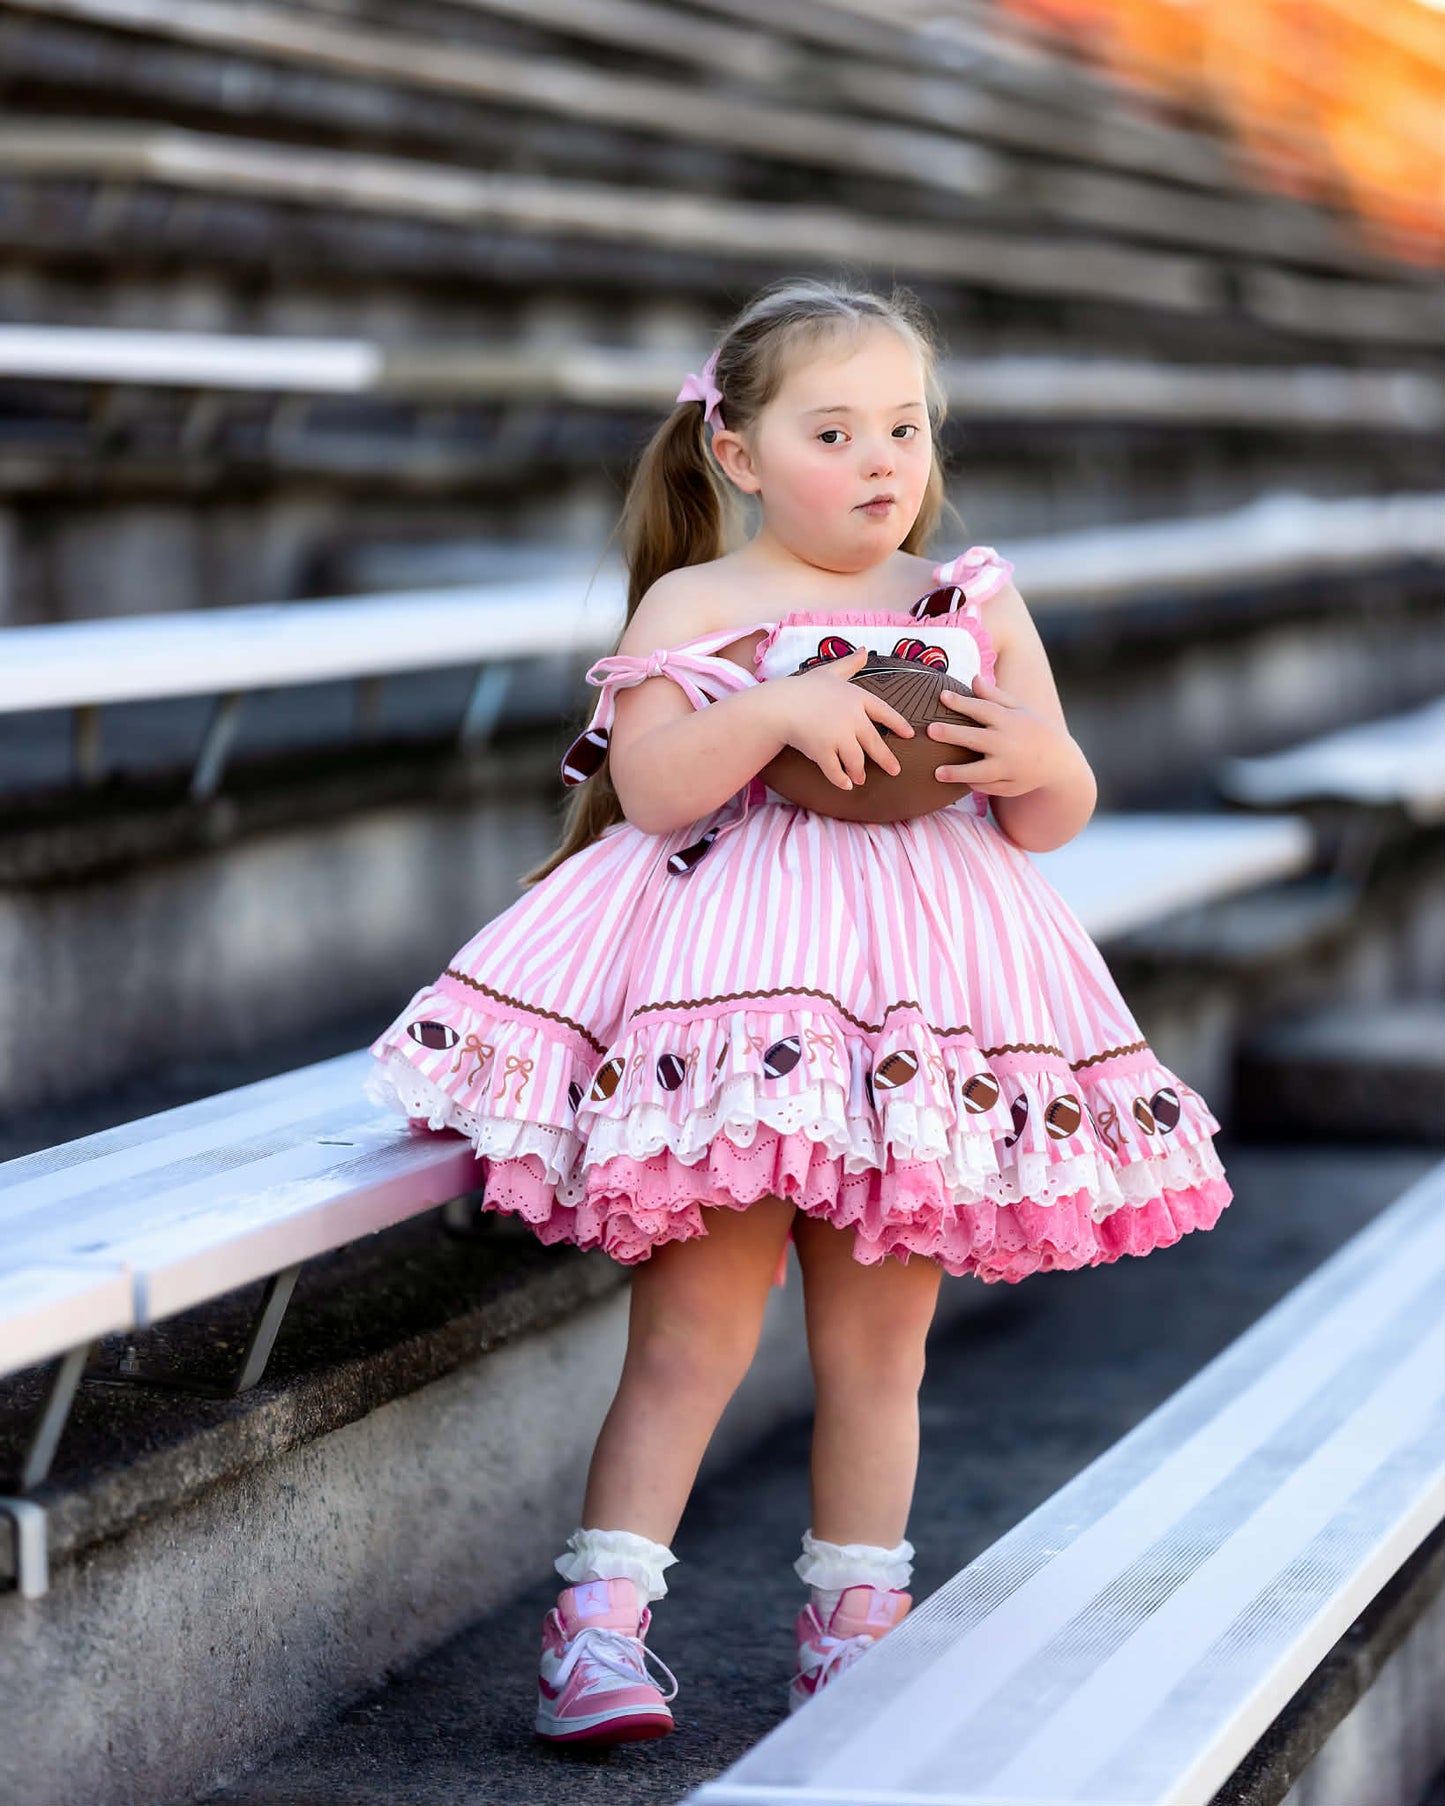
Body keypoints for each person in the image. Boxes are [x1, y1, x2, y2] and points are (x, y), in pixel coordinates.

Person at [364, 275, 1233, 1746]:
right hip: (736, 1026)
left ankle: (853, 1627)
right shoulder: (700, 603)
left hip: (919, 1029)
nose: (882, 460)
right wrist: (775, 709)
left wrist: (1028, 747)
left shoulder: (967, 602)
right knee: (691, 1334)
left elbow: (1051, 815)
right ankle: (601, 1628)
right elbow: (648, 791)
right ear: (741, 454)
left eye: (903, 426)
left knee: (878, 1348)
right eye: (833, 430)